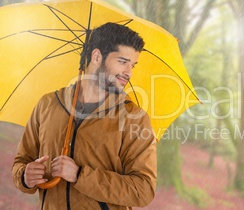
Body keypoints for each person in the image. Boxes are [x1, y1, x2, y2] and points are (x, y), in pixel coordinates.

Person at [12, 22, 157, 209]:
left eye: (132, 65)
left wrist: (80, 175)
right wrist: (24, 176)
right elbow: (22, 161)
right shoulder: (47, 104)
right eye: (122, 62)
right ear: (96, 56)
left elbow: (142, 190)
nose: (128, 73)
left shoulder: (133, 117)